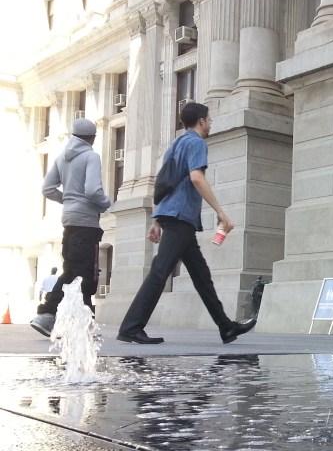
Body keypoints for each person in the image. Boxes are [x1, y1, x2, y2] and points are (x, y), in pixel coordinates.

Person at [117, 101, 256, 345]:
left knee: (201, 276)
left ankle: (226, 327)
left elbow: (164, 182)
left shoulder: (176, 144)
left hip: (175, 216)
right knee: (160, 272)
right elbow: (196, 177)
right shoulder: (196, 143)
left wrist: (157, 219)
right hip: (181, 217)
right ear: (201, 121)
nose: (211, 123)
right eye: (209, 119)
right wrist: (220, 212)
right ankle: (131, 327)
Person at [30, 119, 111, 338]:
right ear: (92, 138)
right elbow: (93, 191)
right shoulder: (91, 156)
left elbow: (47, 188)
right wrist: (106, 203)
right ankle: (47, 314)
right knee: (83, 274)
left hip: (69, 220)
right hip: (86, 221)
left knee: (75, 271)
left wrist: (67, 200)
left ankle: (85, 325)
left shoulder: (61, 158)